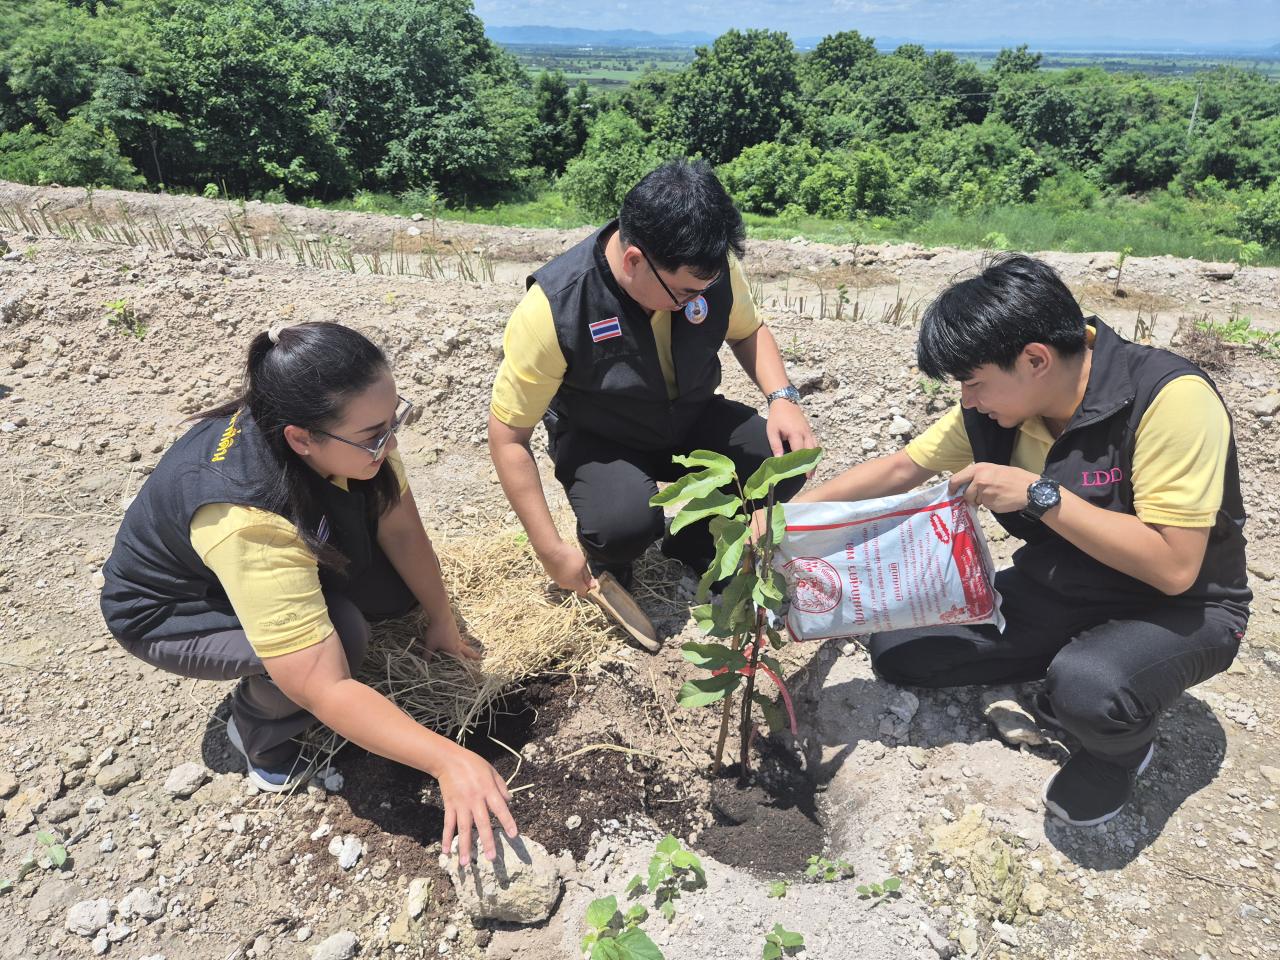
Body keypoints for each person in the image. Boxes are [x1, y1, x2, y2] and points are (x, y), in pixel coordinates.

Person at [789, 254, 1250, 827]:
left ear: (1035, 359)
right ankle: (1067, 659)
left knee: (1088, 688)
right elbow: (901, 469)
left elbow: (1175, 566)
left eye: (975, 382)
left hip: (1180, 605)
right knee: (901, 652)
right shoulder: (997, 410)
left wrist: (1041, 495)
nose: (969, 399)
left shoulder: (1167, 398)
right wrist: (783, 523)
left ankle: (1120, 750)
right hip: (1064, 587)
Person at [100, 322, 515, 866]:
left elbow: (401, 529)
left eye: (395, 422)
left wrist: (441, 616)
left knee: (392, 594)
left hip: (252, 557)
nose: (389, 443)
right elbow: (323, 685)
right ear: (301, 439)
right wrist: (448, 762)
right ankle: (260, 735)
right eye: (375, 435)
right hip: (174, 610)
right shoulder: (245, 515)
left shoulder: (349, 429)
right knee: (344, 634)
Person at [488, 159, 818, 602]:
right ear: (634, 261)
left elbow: (748, 331)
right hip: (602, 437)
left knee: (784, 458)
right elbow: (508, 437)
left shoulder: (703, 271)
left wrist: (784, 399)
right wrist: (550, 550)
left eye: (704, 289)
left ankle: (694, 545)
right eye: (684, 294)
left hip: (689, 416)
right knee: (623, 525)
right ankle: (614, 560)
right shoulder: (557, 307)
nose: (696, 302)